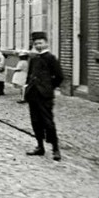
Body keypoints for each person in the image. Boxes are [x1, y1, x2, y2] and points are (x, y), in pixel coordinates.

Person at [24, 31, 64, 161]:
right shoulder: (34, 58)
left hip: (45, 95)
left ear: (46, 43)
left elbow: (59, 76)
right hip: (33, 94)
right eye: (36, 43)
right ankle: (40, 146)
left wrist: (49, 87)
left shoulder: (51, 58)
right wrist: (28, 87)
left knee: (48, 122)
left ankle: (55, 149)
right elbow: (29, 75)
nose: (38, 45)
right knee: (35, 121)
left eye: (40, 43)